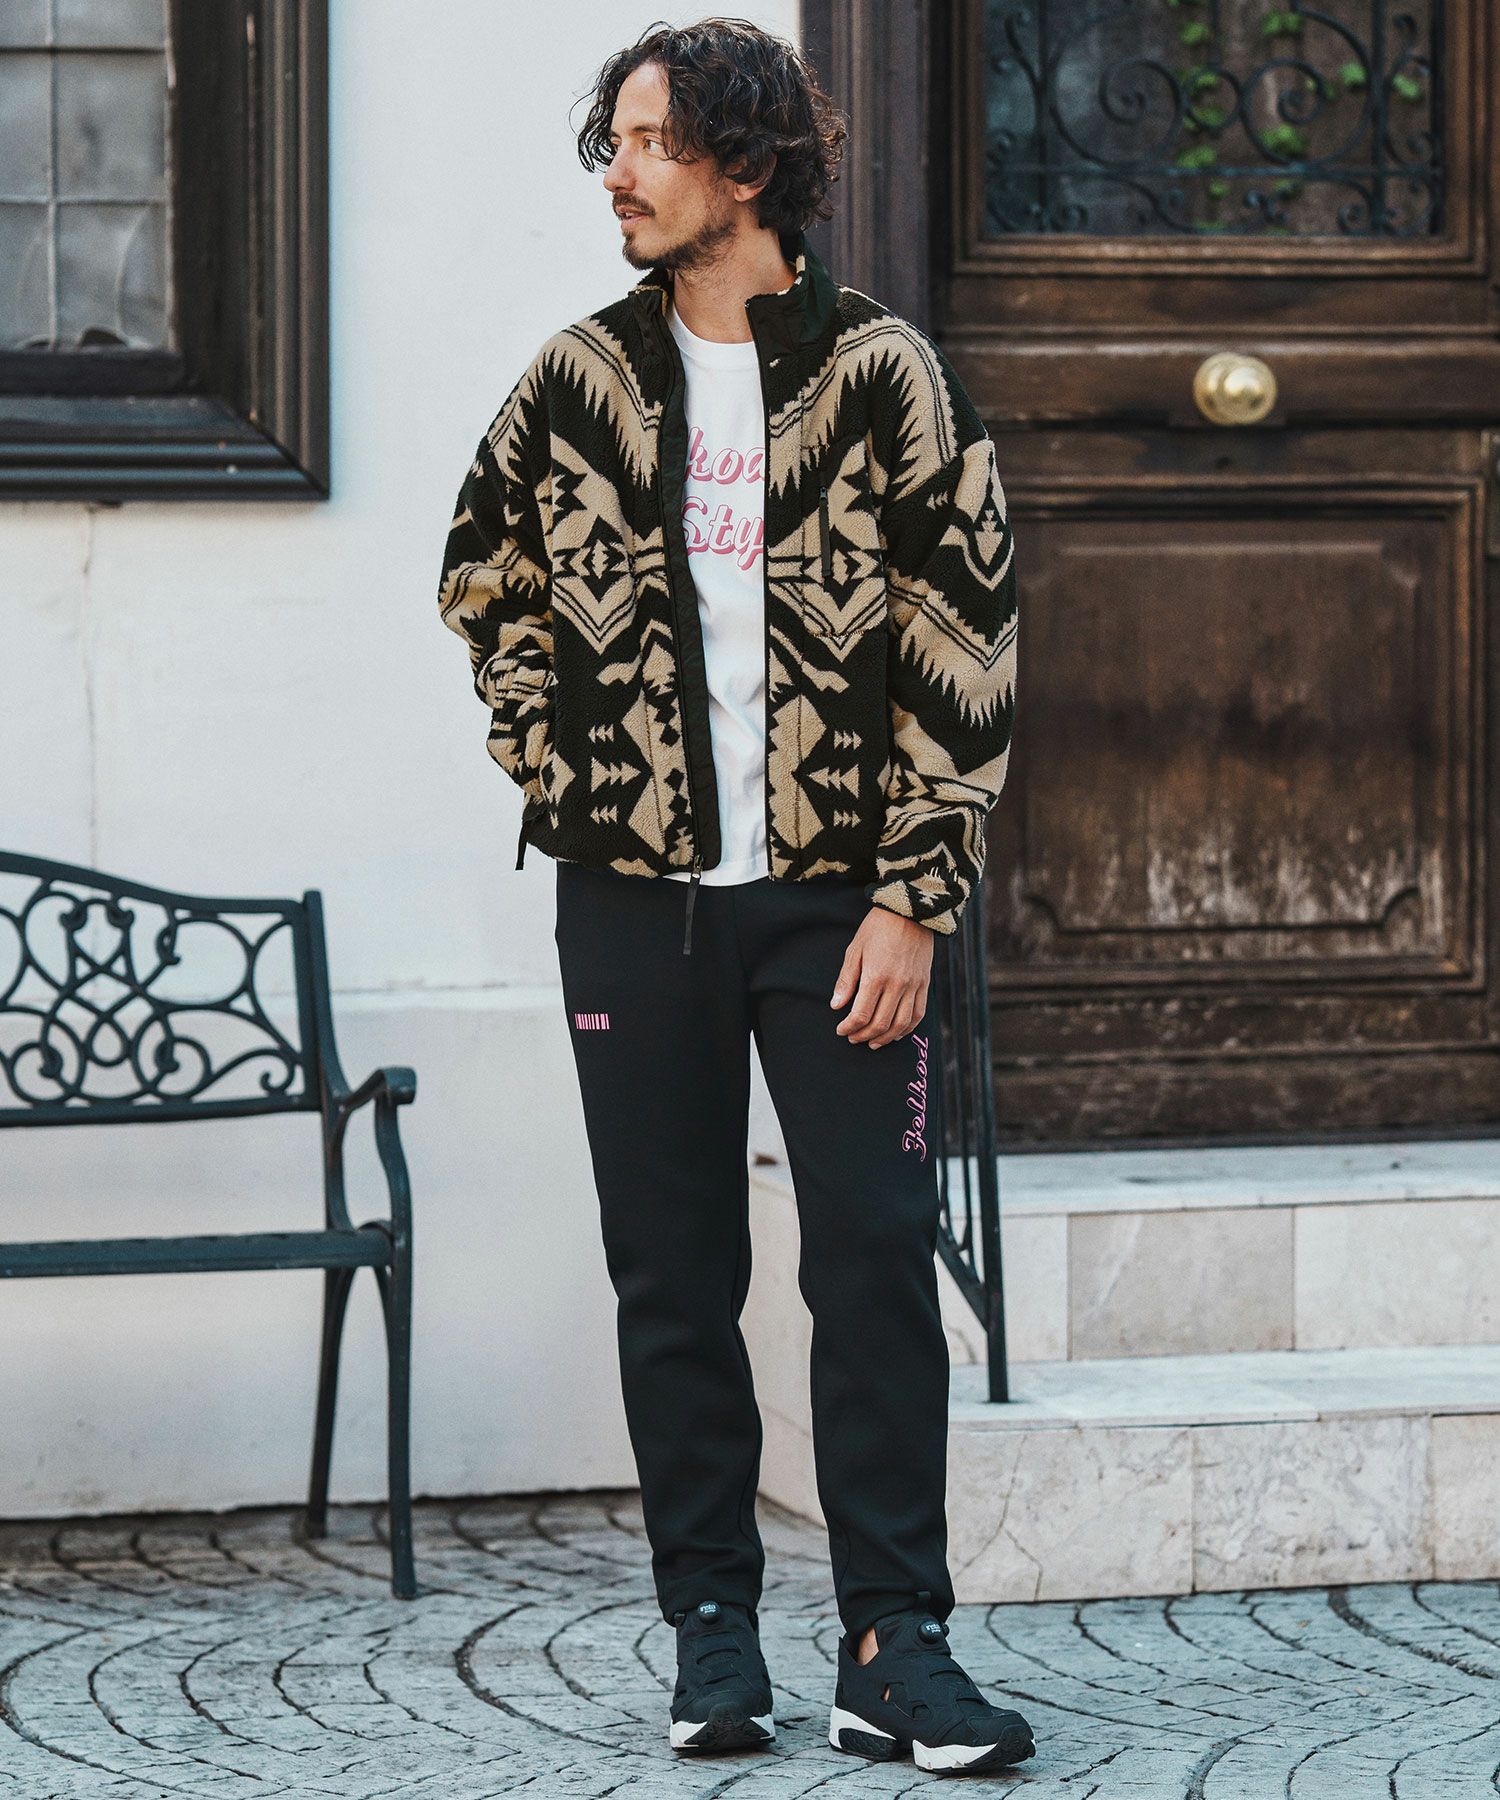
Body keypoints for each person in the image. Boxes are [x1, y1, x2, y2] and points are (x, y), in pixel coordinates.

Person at [436, 15, 1031, 1778]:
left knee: (874, 1257)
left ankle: (894, 1645)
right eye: (611, 143)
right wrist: (561, 760)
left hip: (839, 901)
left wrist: (916, 895)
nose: (617, 176)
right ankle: (714, 1629)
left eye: (649, 141)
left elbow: (967, 634)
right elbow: (481, 576)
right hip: (634, 904)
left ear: (747, 165)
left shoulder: (884, 375)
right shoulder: (577, 380)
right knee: (673, 1270)